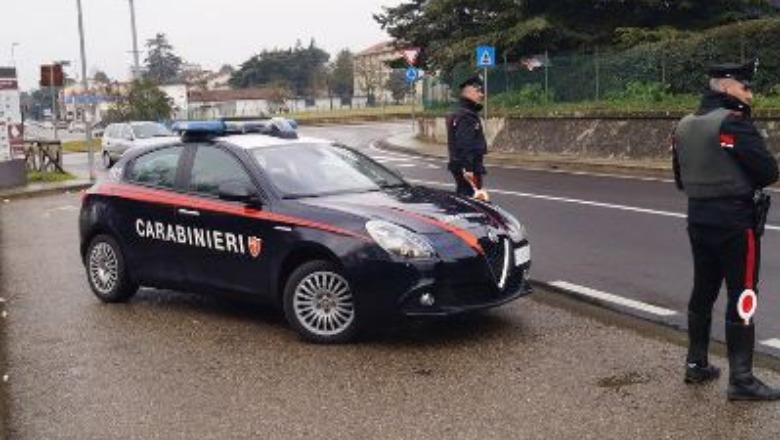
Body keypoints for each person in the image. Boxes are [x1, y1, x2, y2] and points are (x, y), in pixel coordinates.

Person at [672, 59, 780, 401]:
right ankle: (742, 380)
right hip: (735, 222)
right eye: (746, 87)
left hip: (698, 219)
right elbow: (767, 172)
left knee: (703, 289)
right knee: (743, 293)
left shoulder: (683, 125)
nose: (751, 93)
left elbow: (679, 179)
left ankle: (696, 363)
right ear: (727, 86)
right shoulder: (733, 124)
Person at [447, 75, 487, 198]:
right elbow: (465, 144)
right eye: (478, 91)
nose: (481, 95)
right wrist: (468, 168)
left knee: (464, 197)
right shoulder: (466, 116)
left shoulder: (461, 112)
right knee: (470, 200)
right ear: (468, 91)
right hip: (469, 167)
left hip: (463, 165)